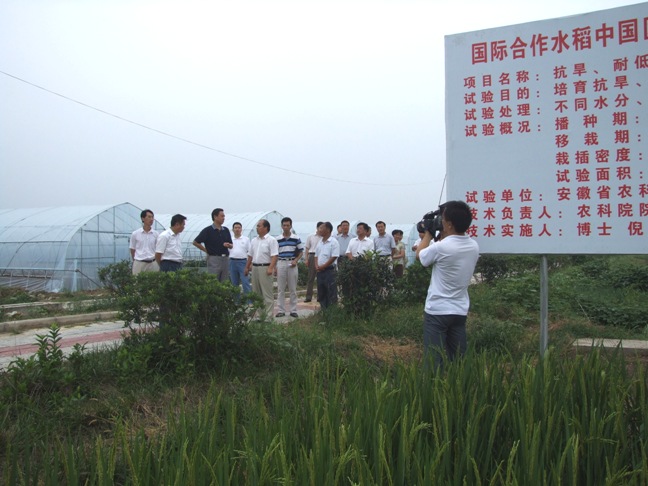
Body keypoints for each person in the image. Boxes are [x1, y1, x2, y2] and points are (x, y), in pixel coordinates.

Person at [416, 201, 480, 371]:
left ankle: (433, 385)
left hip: (437, 311)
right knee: (458, 359)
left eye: (443, 219)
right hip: (459, 311)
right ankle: (460, 384)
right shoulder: (473, 246)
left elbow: (420, 256)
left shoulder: (441, 247)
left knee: (434, 360)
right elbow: (452, 243)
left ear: (450, 224)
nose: (441, 222)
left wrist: (428, 234)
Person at [245, 219, 278, 319]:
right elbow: (250, 255)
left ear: (266, 228)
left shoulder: (271, 240)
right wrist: (247, 267)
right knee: (256, 292)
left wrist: (271, 268)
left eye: (259, 226)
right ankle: (259, 314)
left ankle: (268, 316)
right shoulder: (254, 240)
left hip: (265, 267)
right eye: (257, 226)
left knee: (267, 293)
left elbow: (274, 255)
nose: (257, 228)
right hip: (255, 268)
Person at [192, 208, 233, 282]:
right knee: (213, 280)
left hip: (225, 258)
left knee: (225, 281)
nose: (223, 218)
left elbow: (231, 245)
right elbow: (195, 242)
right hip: (214, 258)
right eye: (222, 216)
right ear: (215, 217)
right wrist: (206, 251)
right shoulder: (208, 230)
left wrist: (229, 245)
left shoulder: (225, 230)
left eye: (224, 216)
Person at [275, 217, 304, 318]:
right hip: (281, 262)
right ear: (282, 226)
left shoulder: (296, 238)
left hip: (292, 263)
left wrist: (296, 260)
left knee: (293, 289)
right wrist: (274, 266)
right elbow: (275, 253)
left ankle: (293, 310)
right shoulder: (277, 239)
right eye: (284, 225)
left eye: (288, 225)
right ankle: (281, 310)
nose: (286, 227)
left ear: (291, 226)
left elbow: (301, 252)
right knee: (280, 289)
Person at [315, 221, 340, 310]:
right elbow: (316, 255)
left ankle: (332, 311)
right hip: (320, 271)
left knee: (331, 291)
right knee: (321, 292)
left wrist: (324, 266)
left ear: (328, 230)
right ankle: (323, 311)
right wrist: (316, 265)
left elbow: (334, 256)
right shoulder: (320, 242)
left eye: (321, 228)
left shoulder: (334, 242)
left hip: (329, 271)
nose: (319, 230)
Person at [129, 209, 159, 274]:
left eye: (152, 217)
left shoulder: (156, 234)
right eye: (149, 217)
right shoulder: (135, 234)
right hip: (139, 263)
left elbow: (158, 249)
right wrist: (136, 260)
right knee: (137, 280)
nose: (151, 219)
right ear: (143, 218)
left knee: (154, 280)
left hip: (153, 263)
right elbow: (132, 249)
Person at [229, 221, 251, 296]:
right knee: (234, 283)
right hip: (232, 262)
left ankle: (249, 300)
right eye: (235, 228)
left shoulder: (246, 239)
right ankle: (236, 301)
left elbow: (250, 252)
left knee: (245, 282)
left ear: (241, 229)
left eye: (239, 228)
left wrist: (249, 264)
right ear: (233, 229)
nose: (237, 229)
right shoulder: (230, 239)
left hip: (243, 262)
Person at [303, 222, 323, 302]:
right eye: (320, 228)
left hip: (321, 256)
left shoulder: (324, 237)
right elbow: (307, 248)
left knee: (320, 277)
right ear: (317, 228)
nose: (322, 229)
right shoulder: (310, 236)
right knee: (311, 277)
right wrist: (306, 259)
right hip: (312, 255)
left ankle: (320, 296)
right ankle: (308, 297)